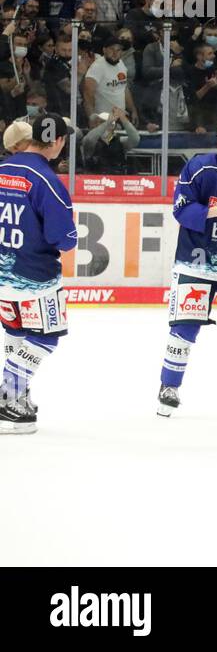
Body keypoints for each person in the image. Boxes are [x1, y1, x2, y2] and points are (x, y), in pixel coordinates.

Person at [157, 117, 217, 416]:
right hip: (195, 263)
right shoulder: (199, 166)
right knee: (183, 328)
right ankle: (168, 387)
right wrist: (214, 211)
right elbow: (180, 208)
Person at [0, 114, 78, 433]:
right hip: (34, 277)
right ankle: (7, 395)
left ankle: (16, 396)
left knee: (15, 329)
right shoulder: (47, 180)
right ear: (58, 141)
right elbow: (66, 239)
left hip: (3, 273)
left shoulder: (3, 169)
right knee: (45, 337)